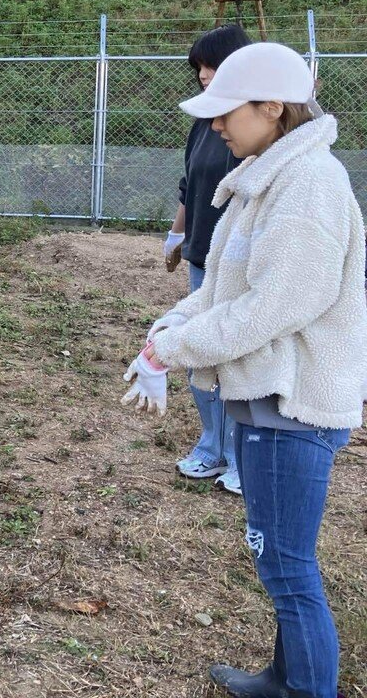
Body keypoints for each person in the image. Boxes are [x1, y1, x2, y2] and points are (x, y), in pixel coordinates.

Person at [122, 42, 366, 698]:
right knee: (281, 561)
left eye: (226, 111)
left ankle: (306, 689)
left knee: (288, 569)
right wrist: (170, 325)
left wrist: (173, 351)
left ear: (272, 107)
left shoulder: (308, 186)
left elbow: (273, 307)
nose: (216, 125)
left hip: (292, 406)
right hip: (267, 397)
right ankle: (284, 678)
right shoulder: (269, 176)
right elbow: (225, 286)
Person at [163, 24, 249, 495]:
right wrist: (177, 234)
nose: (203, 74)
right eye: (199, 66)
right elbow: (190, 182)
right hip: (203, 255)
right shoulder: (205, 120)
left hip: (239, 260)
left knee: (234, 353)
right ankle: (211, 444)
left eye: (211, 65)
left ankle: (241, 455)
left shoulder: (255, 125)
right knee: (202, 352)